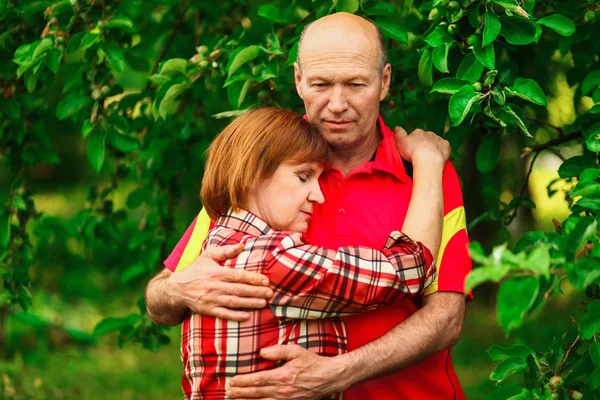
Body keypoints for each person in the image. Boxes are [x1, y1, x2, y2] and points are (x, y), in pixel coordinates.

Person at [146, 12, 471, 400]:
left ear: (384, 81)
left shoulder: (425, 174)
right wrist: (180, 289)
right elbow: (159, 298)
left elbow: (446, 319)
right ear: (298, 79)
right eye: (320, 84)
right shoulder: (266, 168)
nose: (337, 103)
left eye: (355, 84)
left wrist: (339, 373)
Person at [182, 106, 442, 399]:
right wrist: (429, 163)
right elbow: (409, 269)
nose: (318, 196)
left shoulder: (215, 245)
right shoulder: (272, 258)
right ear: (253, 172)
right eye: (303, 176)